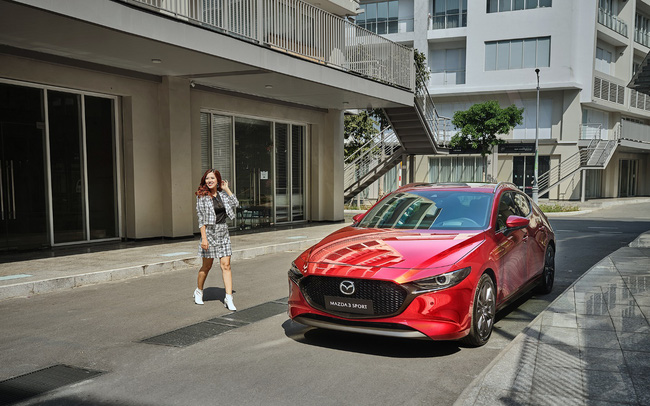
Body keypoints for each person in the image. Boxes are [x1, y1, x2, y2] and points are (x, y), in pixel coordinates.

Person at [194, 169, 239, 311]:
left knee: (226, 265)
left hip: (223, 232)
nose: (209, 181)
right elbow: (201, 219)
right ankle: (199, 291)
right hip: (209, 233)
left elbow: (236, 203)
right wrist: (204, 239)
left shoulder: (223, 195)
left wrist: (227, 189)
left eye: (212, 178)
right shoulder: (202, 197)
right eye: (207, 178)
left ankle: (228, 298)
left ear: (217, 180)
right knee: (206, 266)